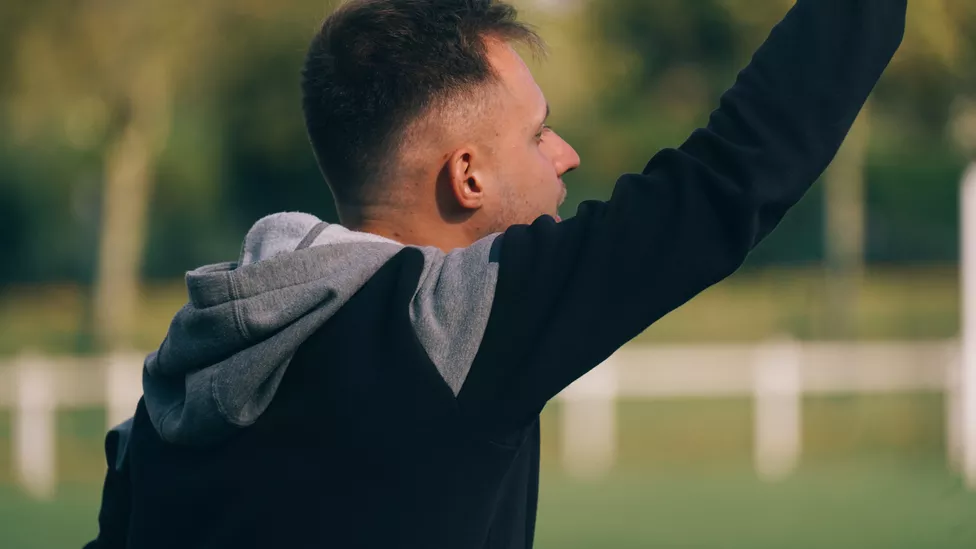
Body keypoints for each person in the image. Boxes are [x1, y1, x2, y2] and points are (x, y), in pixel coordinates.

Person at [85, 0, 907, 547]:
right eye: (541, 133)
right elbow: (729, 180)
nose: (567, 156)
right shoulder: (444, 323)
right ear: (467, 175)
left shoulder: (180, 378)